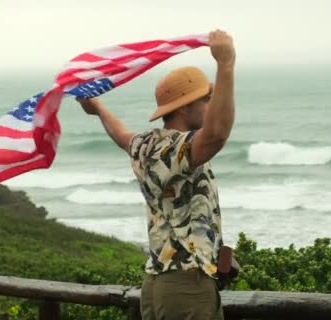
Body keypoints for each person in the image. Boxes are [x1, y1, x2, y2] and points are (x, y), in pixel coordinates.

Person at [77, 29, 235, 320]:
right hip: (186, 286)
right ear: (185, 107)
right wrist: (225, 64)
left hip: (158, 283)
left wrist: (99, 108)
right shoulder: (179, 149)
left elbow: (121, 135)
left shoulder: (146, 144)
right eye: (207, 99)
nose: (211, 105)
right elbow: (217, 133)